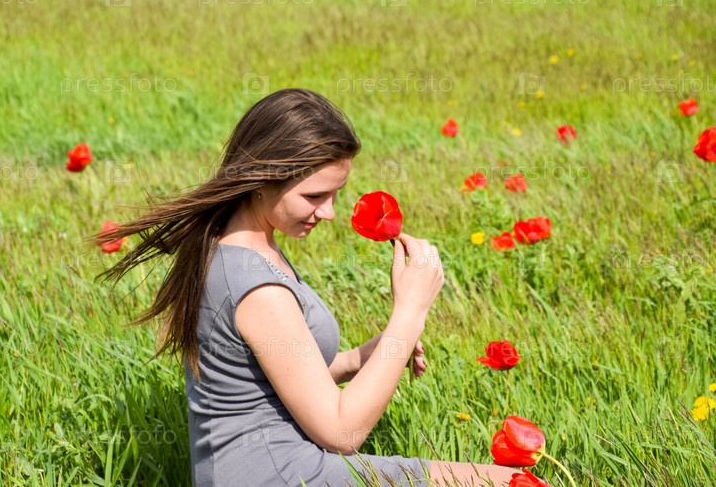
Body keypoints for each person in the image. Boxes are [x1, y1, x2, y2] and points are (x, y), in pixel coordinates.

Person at [99, 88, 517, 486]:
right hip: (281, 476)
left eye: (336, 194)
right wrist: (410, 312)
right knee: (512, 483)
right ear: (262, 179)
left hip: (275, 471)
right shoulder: (257, 288)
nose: (329, 212)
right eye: (315, 196)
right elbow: (341, 431)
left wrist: (364, 357)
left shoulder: (237, 247)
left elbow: (268, 379)